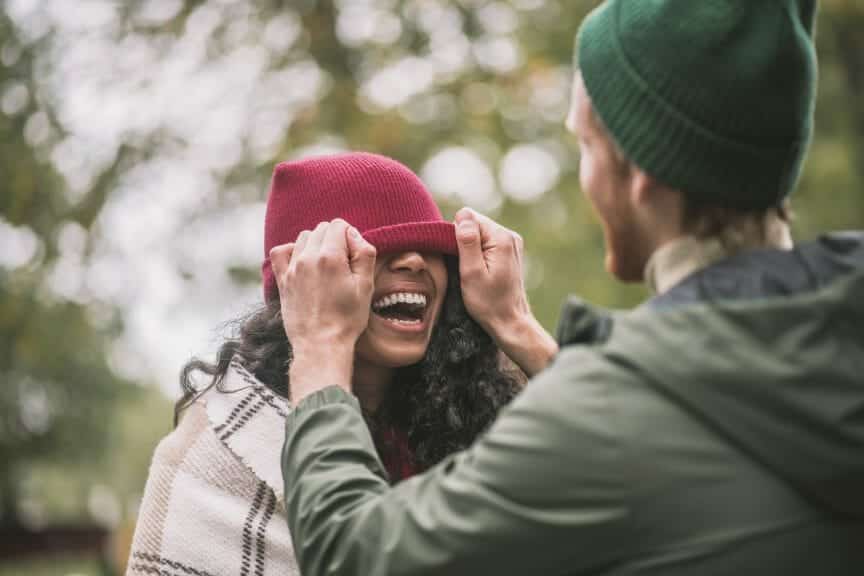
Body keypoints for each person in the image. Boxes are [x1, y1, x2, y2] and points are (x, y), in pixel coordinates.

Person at [276, 1, 864, 575]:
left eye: (585, 145)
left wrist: (323, 347)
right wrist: (515, 327)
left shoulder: (607, 417)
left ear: (639, 175)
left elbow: (351, 555)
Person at [124, 153, 526, 576]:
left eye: (429, 248)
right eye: (367, 249)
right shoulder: (209, 467)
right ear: (301, 284)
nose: (414, 261)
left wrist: (513, 321)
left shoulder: (480, 427)